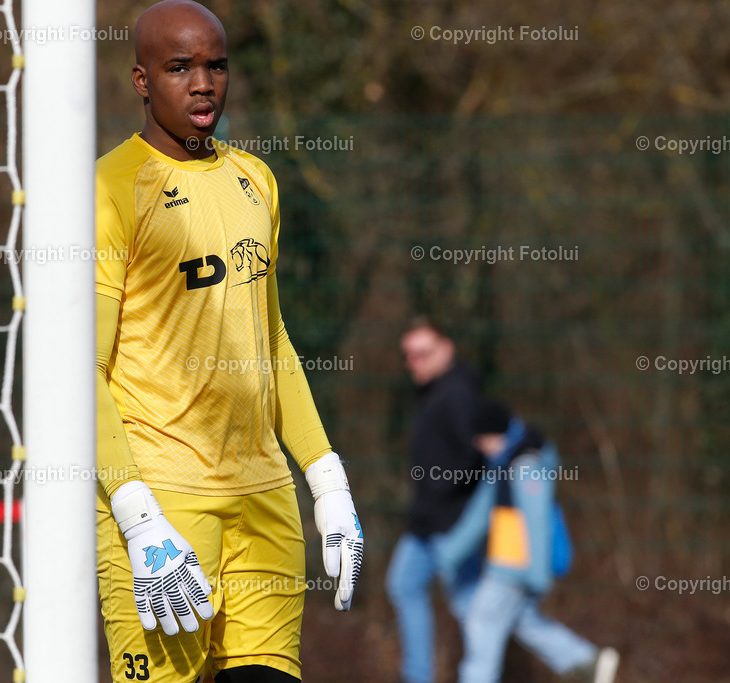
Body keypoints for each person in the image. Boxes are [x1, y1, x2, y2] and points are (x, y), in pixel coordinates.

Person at [94, 2, 364, 681]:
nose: (203, 83)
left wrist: (327, 479)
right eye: (179, 67)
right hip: (163, 503)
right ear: (141, 80)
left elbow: (271, 341)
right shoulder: (108, 190)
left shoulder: (256, 181)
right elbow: (79, 373)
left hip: (264, 497)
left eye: (216, 66)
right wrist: (136, 515)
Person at [438, 399, 619, 683]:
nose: (478, 446)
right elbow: (479, 517)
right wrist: (448, 553)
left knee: (481, 622)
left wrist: (537, 574)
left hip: (514, 566)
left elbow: (536, 522)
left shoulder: (525, 464)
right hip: (507, 564)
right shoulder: (502, 464)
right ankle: (586, 662)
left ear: (492, 435)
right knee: (522, 621)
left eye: (480, 439)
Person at [386, 318, 484, 683]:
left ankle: (578, 658)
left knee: (477, 605)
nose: (415, 362)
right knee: (405, 585)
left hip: (450, 522)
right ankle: (418, 676)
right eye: (409, 356)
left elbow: (475, 457)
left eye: (423, 353)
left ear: (447, 349)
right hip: (427, 523)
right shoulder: (434, 392)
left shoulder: (457, 394)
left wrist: (442, 494)